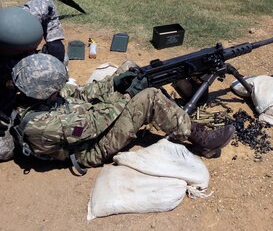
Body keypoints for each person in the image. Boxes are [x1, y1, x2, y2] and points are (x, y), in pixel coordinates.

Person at [1, 53, 234, 171]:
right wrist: (129, 95)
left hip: (86, 120)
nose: (59, 89)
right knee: (149, 97)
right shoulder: (41, 125)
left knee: (131, 68)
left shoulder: (31, 94)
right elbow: (96, 123)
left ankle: (169, 111)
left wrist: (117, 83)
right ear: (42, 91)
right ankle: (201, 139)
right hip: (92, 147)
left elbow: (80, 94)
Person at [0, 0, 66, 116]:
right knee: (6, 101)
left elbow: (47, 4)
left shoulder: (37, 10)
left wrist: (54, 41)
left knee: (56, 63)